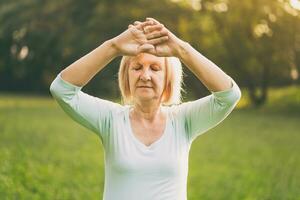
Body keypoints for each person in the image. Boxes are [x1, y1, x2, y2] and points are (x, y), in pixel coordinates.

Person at [50, 17, 241, 200]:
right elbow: (62, 90)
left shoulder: (183, 120)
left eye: (155, 68)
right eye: (137, 67)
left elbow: (229, 96)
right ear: (127, 76)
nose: (145, 75)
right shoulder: (111, 119)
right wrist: (114, 46)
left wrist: (181, 50)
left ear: (168, 79)